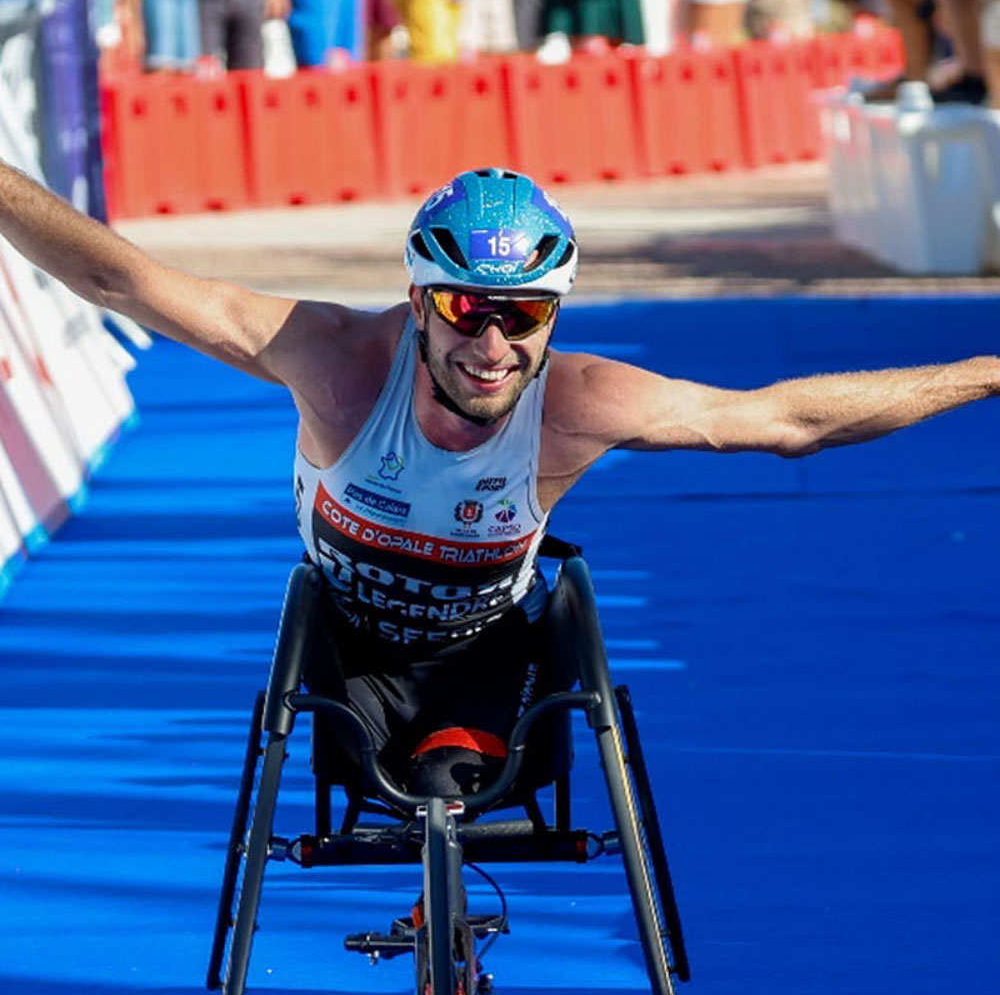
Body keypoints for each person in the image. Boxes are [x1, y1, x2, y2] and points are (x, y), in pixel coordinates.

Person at [0, 163, 996, 795]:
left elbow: (786, 422)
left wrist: (987, 371)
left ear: (553, 317)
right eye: (465, 306)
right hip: (345, 651)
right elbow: (119, 280)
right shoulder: (335, 360)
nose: (490, 342)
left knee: (457, 768)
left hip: (493, 650)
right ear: (418, 303)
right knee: (380, 746)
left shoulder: (578, 403)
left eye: (521, 315)